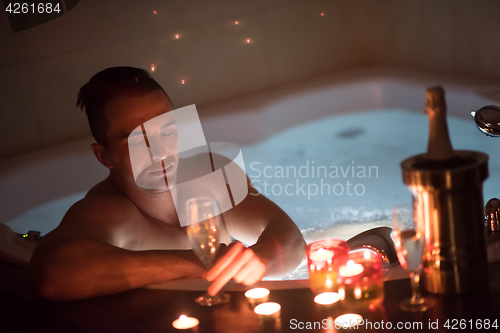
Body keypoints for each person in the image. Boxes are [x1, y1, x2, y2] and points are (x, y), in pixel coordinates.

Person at [28, 67, 306, 301]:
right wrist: (197, 262)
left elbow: (291, 240)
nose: (160, 151)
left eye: (168, 130)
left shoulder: (210, 173)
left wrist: (260, 260)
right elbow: (53, 275)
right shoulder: (109, 211)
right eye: (139, 140)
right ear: (104, 156)